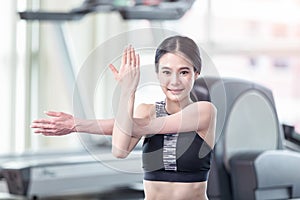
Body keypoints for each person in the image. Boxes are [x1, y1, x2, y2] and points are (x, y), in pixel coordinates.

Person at [31, 35, 217, 200]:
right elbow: (119, 150)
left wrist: (79, 124)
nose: (174, 81)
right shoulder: (145, 111)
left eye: (183, 72)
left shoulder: (204, 111)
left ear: (196, 74)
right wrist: (127, 91)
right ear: (157, 74)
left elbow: (145, 127)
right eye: (166, 72)